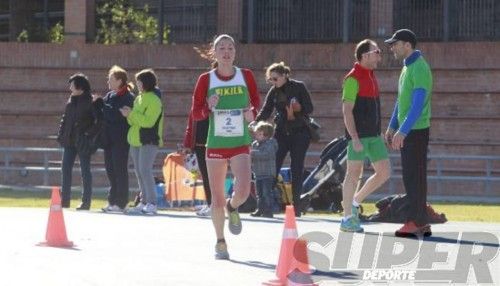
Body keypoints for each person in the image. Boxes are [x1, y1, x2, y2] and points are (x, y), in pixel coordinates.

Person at [190, 34, 260, 259]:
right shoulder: (206, 79)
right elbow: (196, 113)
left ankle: (233, 207)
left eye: (230, 48)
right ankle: (220, 241)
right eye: (222, 48)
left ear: (235, 52)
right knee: (217, 197)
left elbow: (256, 104)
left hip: (240, 142)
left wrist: (253, 114)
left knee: (243, 191)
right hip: (216, 143)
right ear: (215, 52)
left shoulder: (245, 75)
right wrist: (208, 107)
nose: (227, 52)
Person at [384, 29, 433, 237]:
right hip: (408, 130)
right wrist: (392, 126)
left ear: (407, 45)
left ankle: (416, 221)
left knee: (415, 177)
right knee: (412, 176)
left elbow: (417, 104)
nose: (392, 47)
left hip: (416, 131)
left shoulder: (419, 67)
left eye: (395, 44)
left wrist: (403, 131)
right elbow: (401, 101)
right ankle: (421, 221)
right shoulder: (407, 68)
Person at [340, 39, 391, 232]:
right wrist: (354, 137)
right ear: (364, 56)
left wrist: (380, 132)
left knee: (384, 172)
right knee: (353, 175)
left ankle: (353, 202)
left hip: (374, 136)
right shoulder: (352, 79)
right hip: (358, 137)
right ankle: (347, 219)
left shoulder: (371, 76)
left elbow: (373, 109)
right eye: (376, 51)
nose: (380, 55)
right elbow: (347, 111)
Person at [255, 62, 313, 217]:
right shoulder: (273, 92)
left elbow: (310, 108)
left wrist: (298, 108)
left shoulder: (299, 87)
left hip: (300, 132)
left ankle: (296, 207)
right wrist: (256, 122)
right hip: (281, 132)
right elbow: (266, 110)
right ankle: (265, 205)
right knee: (273, 167)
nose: (273, 82)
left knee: (297, 168)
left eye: (275, 79)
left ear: (284, 75)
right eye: (270, 80)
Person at [120, 69, 164, 215]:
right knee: (139, 171)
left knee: (145, 170)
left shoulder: (154, 100)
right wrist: (129, 114)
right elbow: (134, 120)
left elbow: (148, 122)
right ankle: (144, 201)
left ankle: (152, 203)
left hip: (149, 140)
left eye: (139, 81)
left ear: (146, 83)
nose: (137, 84)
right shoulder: (139, 98)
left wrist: (131, 114)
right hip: (136, 140)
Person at [95, 65, 135, 213]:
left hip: (121, 139)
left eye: (111, 79)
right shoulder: (110, 96)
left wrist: (102, 105)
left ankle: (121, 202)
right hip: (108, 139)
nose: (108, 82)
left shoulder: (128, 97)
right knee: (110, 171)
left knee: (120, 171)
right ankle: (112, 201)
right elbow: (103, 113)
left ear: (120, 81)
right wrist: (96, 105)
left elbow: (116, 115)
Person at [57, 73, 99, 210]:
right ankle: (64, 201)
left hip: (83, 142)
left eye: (72, 85)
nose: (70, 88)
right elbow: (65, 119)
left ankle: (85, 202)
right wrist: (61, 134)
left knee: (85, 171)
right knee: (65, 169)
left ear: (80, 87)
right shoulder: (71, 101)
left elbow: (98, 122)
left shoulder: (91, 101)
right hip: (69, 141)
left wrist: (88, 134)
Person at [182, 114, 212, 216]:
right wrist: (187, 143)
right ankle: (210, 203)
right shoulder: (196, 104)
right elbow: (190, 125)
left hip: (212, 144)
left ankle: (213, 205)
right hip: (198, 145)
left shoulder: (216, 101)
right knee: (205, 176)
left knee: (211, 177)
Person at [249, 121, 278, 218]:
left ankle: (268, 210)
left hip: (267, 173)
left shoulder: (270, 144)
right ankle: (260, 209)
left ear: (266, 135)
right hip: (258, 173)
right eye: (256, 133)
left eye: (259, 133)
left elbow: (266, 155)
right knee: (259, 194)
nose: (256, 135)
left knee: (267, 193)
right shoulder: (255, 144)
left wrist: (252, 153)